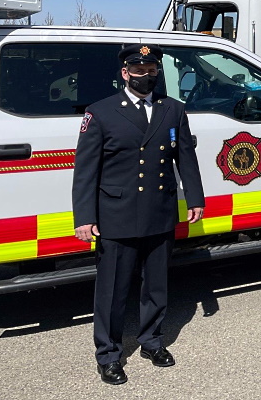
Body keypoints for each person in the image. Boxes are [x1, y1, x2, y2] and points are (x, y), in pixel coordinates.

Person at [72, 44, 205, 385]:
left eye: (151, 69)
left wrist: (195, 197)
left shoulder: (172, 109)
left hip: (158, 211)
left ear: (157, 72)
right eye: (138, 69)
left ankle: (151, 341)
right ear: (125, 73)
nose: (145, 75)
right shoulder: (100, 112)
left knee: (156, 286)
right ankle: (109, 355)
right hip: (116, 215)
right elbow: (86, 171)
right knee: (113, 292)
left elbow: (185, 157)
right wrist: (84, 217)